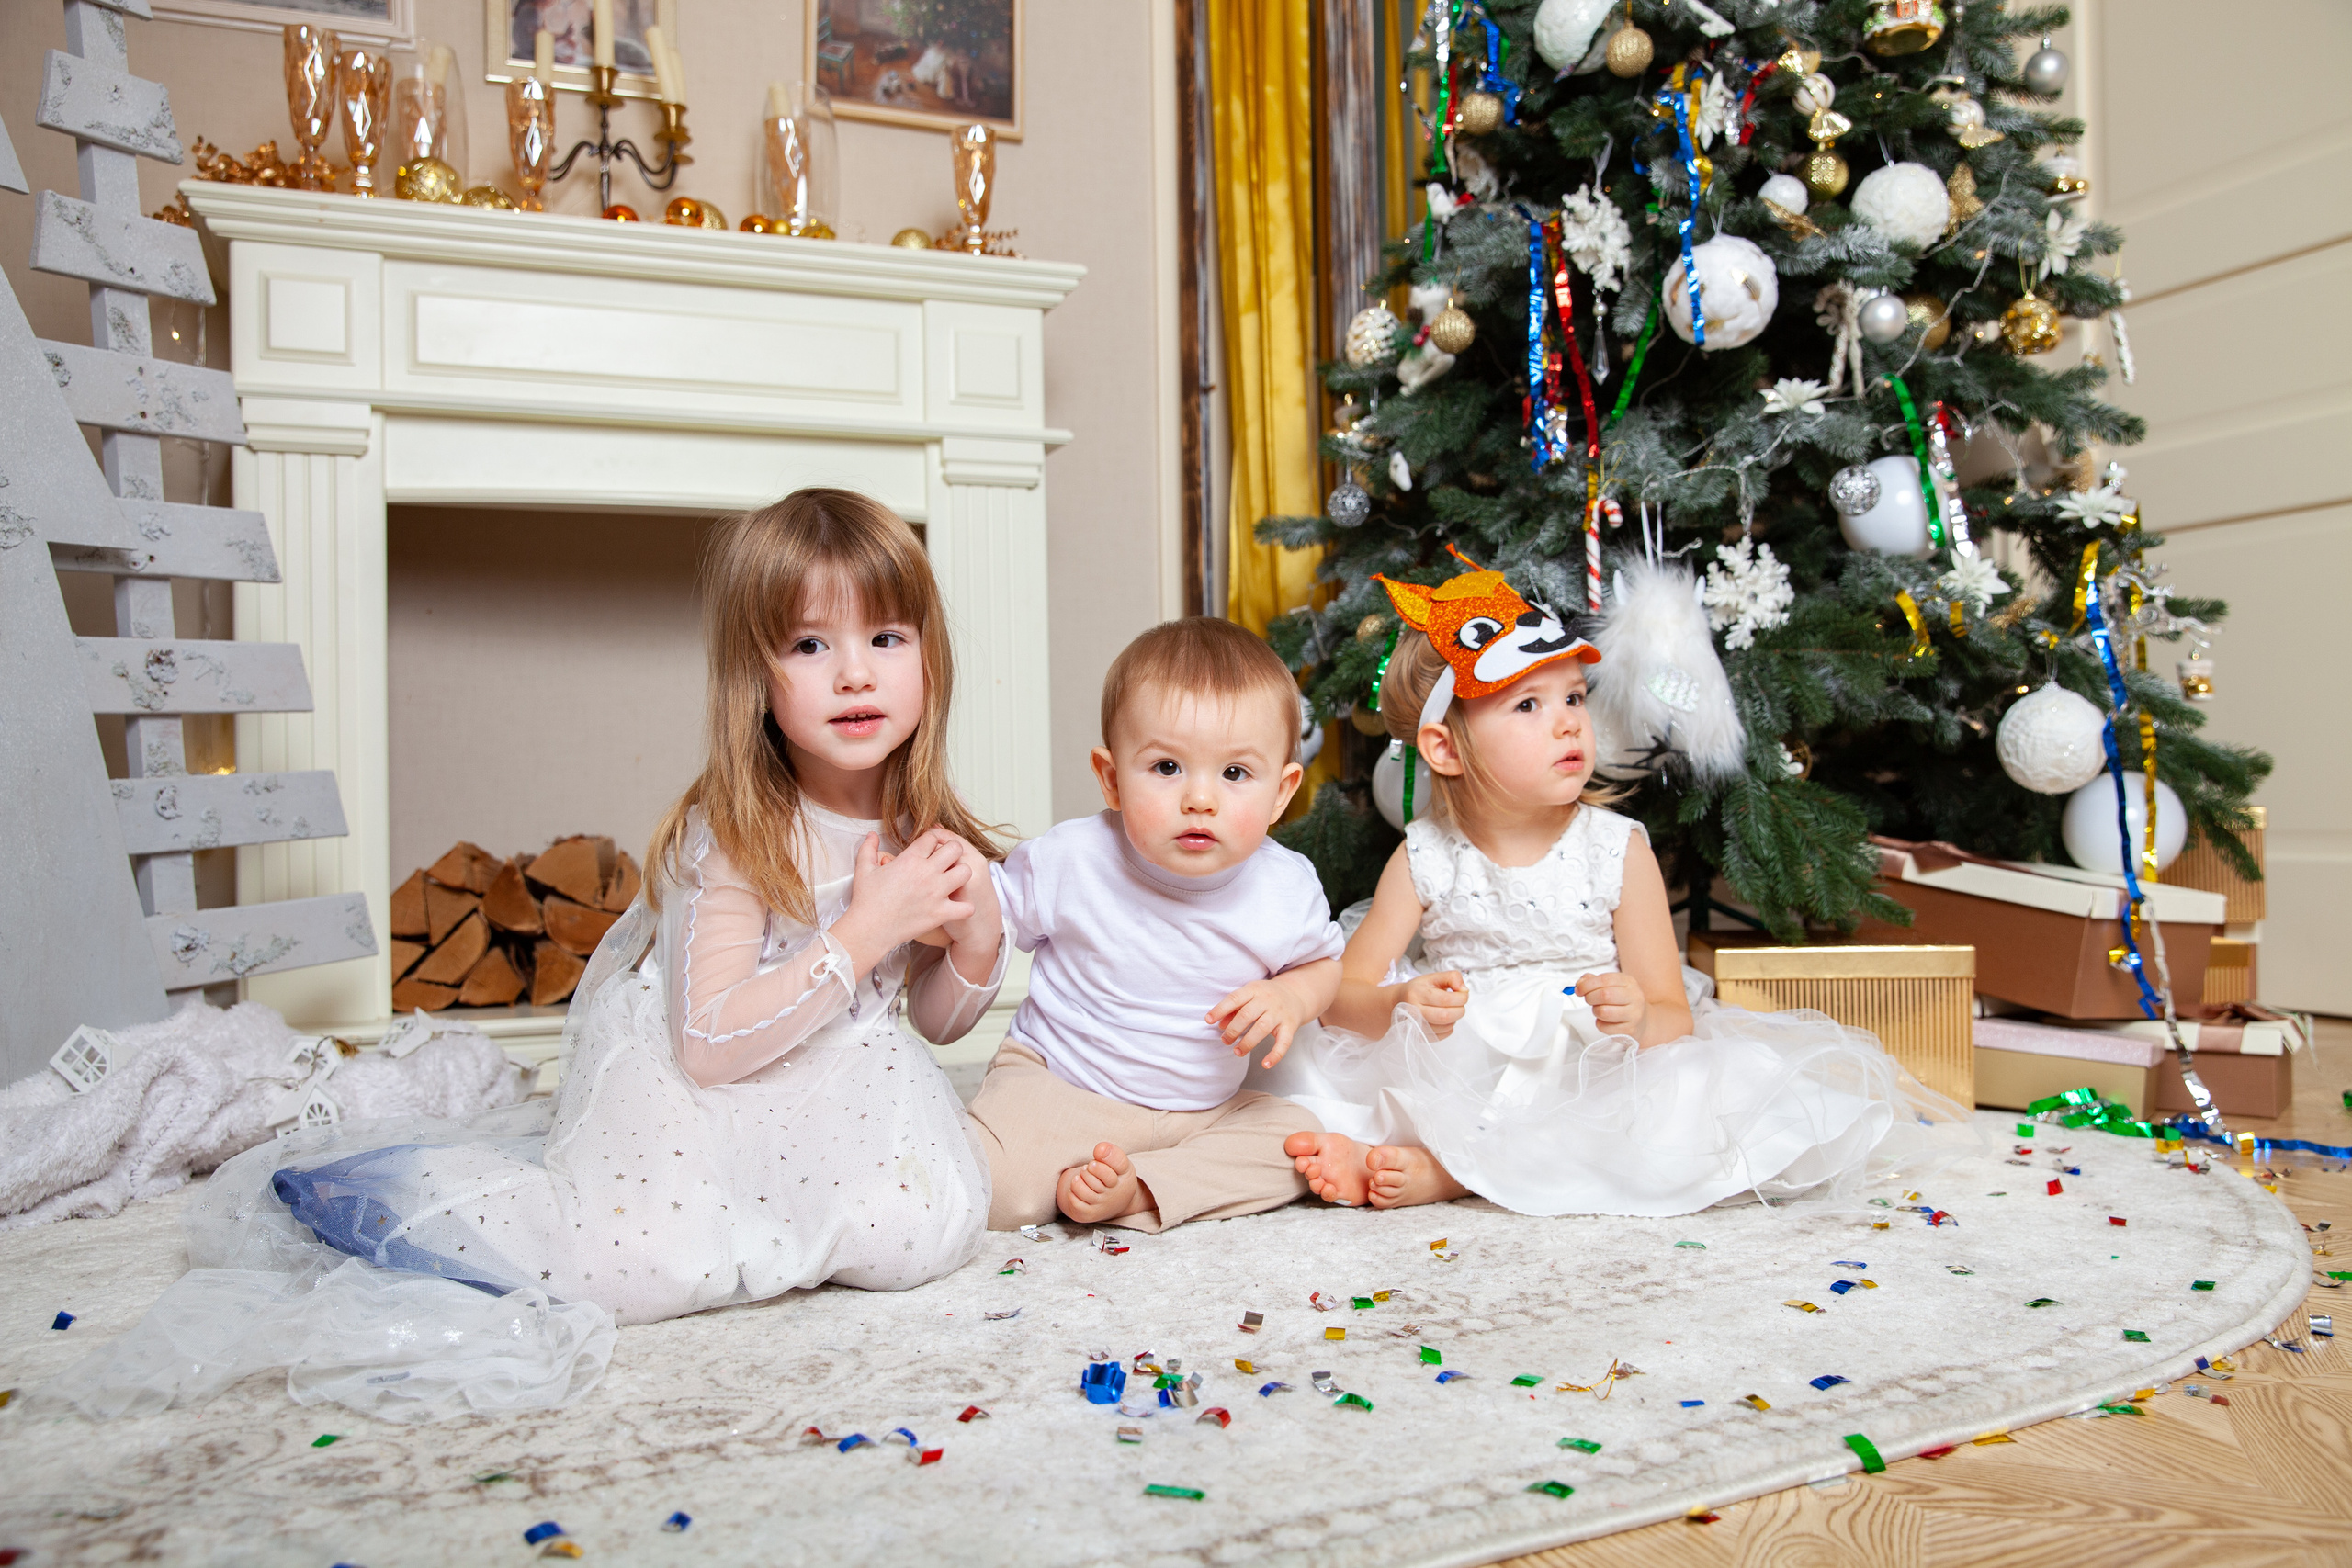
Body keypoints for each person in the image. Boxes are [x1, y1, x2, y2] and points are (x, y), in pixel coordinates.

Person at [255, 489, 1008, 1324]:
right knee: (636, 1262)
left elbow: (934, 1021)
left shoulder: (912, 829)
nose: (855, 672)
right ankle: (402, 1192)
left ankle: (779, 1205)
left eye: (886, 637)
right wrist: (866, 929)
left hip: (835, 1074)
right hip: (699, 1073)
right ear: (756, 678)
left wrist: (975, 935)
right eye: (808, 643)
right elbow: (708, 1046)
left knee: (919, 1230)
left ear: (929, 660)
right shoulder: (735, 835)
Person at [1265, 549, 1970, 1215]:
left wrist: (1635, 1018)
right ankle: (1439, 1150)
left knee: (1665, 1110)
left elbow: (1673, 1010)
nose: (1570, 722)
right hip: (1464, 1060)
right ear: (1445, 748)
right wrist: (1401, 1002)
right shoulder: (1426, 857)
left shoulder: (1615, 849)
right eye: (1528, 706)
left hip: (1590, 1059)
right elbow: (1341, 1000)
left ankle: (1444, 1170)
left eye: (1573, 696)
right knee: (1314, 1082)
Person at [966, 617, 1344, 1232]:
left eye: (1235, 773)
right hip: (1063, 1083)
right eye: (1167, 767)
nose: (1200, 798)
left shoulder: (1285, 885)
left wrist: (1291, 995)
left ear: (1281, 792)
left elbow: (1324, 965)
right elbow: (989, 913)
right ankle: (1081, 1172)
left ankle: (1138, 1189)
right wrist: (941, 901)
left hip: (1200, 1112)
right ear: (1112, 777)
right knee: (991, 1189)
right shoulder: (1074, 858)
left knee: (1299, 1143)